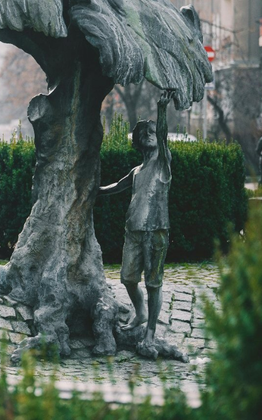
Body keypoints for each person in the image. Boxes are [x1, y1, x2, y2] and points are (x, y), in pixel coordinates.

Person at [98, 89, 174, 358]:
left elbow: (163, 136)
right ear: (139, 143)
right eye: (145, 135)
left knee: (153, 282)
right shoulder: (137, 170)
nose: (150, 136)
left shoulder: (163, 164)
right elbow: (114, 188)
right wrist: (93, 188)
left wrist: (161, 110)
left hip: (156, 230)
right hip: (133, 231)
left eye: (152, 133)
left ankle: (150, 332)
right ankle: (140, 312)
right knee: (128, 278)